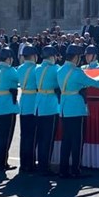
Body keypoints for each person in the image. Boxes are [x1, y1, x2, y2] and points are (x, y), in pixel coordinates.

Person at [56, 44, 99, 179]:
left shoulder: (60, 71)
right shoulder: (77, 72)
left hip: (64, 109)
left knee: (66, 141)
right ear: (76, 57)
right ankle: (76, 170)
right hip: (76, 109)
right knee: (77, 141)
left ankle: (63, 169)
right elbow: (93, 82)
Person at [33, 45, 61, 177]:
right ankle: (45, 166)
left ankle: (41, 164)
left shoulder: (37, 68)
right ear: (52, 56)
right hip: (50, 105)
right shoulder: (56, 69)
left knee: (40, 136)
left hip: (38, 105)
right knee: (48, 138)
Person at [0, 48, 19, 172]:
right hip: (7, 105)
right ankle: (3, 163)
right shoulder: (10, 71)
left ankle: (0, 162)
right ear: (8, 58)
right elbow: (21, 79)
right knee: (6, 136)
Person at [15, 44, 40, 174]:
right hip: (33, 103)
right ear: (34, 56)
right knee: (32, 136)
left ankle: (23, 163)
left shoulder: (19, 68)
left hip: (23, 101)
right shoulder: (36, 69)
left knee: (24, 135)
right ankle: (30, 163)